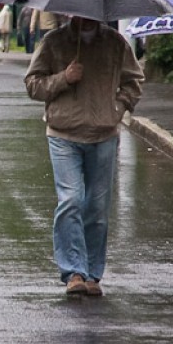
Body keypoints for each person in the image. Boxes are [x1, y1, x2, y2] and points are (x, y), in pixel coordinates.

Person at [24, 17, 144, 296]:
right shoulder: (54, 42)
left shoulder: (115, 43)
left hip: (103, 135)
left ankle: (92, 273)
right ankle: (73, 272)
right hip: (63, 134)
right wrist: (63, 78)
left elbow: (134, 81)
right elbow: (33, 84)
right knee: (71, 200)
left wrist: (118, 108)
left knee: (97, 209)